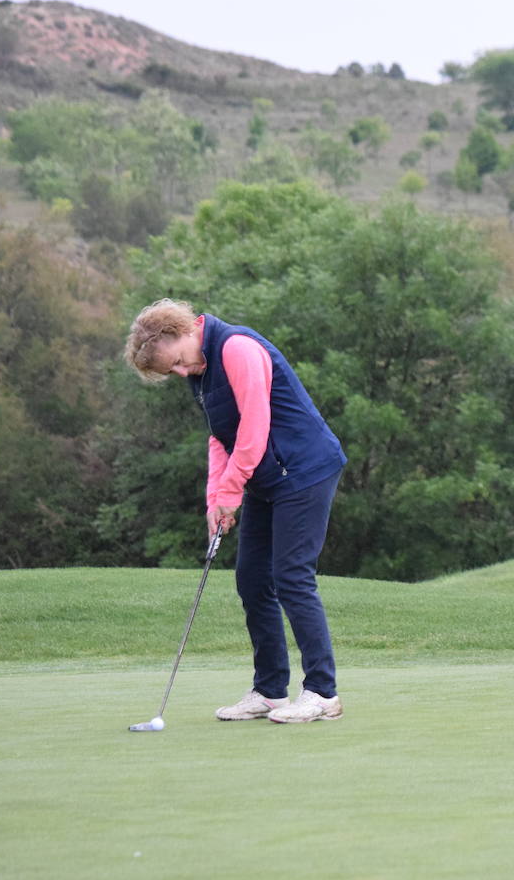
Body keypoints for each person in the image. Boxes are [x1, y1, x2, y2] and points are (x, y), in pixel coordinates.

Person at [124, 299, 351, 721]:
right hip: (269, 477)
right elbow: (221, 438)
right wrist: (216, 499)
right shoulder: (201, 368)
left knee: (291, 577)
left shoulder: (237, 348)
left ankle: (322, 693)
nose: (178, 373)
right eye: (168, 372)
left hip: (305, 470)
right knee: (251, 580)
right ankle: (270, 691)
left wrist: (233, 488)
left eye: (174, 362)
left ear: (182, 333)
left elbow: (255, 425)